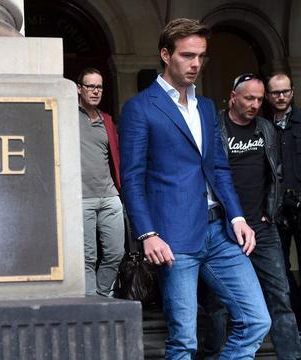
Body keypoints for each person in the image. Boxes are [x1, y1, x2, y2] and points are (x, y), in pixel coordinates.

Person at [118, 18, 270, 358]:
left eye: (201, 56)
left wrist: (237, 218)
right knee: (183, 342)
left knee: (257, 320)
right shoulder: (140, 108)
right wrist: (147, 234)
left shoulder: (205, 107)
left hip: (220, 232)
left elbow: (218, 168)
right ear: (165, 54)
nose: (196, 64)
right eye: (187, 55)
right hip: (174, 238)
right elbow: (132, 177)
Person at [200, 74, 301, 359]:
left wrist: (271, 212)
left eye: (259, 99)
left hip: (262, 227)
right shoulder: (213, 128)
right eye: (249, 98)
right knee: (217, 302)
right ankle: (212, 354)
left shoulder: (266, 129)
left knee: (280, 296)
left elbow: (276, 176)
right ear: (233, 97)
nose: (255, 104)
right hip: (224, 228)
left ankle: (291, 356)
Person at [76, 67, 125, 297]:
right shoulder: (68, 116)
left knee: (116, 253)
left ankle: (102, 296)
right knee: (87, 257)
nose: (95, 91)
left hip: (109, 196)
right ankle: (90, 307)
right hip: (81, 198)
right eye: (90, 86)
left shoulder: (106, 120)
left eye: (99, 87)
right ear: (79, 89)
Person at [264, 72, 301, 330]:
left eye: (285, 91)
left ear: (292, 92)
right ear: (268, 95)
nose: (281, 96)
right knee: (280, 270)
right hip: (275, 208)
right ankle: (295, 319)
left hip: (300, 203)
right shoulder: (262, 126)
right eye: (276, 92)